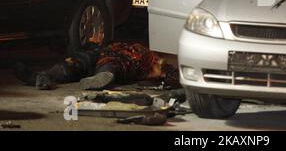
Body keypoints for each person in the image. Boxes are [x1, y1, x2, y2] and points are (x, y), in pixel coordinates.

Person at [14, 42, 179, 90]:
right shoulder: (147, 58)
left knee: (76, 66)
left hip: (102, 57)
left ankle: (40, 77)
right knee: (74, 65)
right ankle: (39, 76)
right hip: (106, 56)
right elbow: (174, 75)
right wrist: (165, 76)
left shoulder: (152, 69)